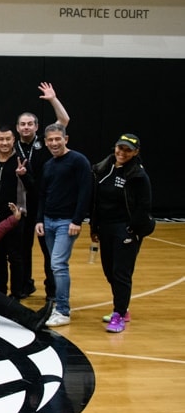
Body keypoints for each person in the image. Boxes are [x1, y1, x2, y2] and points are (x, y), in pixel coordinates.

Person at [90, 134, 153, 333]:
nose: (122, 153)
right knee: (109, 270)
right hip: (105, 227)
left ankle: (119, 314)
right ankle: (122, 308)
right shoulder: (103, 168)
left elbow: (144, 206)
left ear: (136, 152)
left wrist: (132, 229)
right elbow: (95, 201)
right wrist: (94, 227)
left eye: (127, 150)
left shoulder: (138, 175)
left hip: (125, 228)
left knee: (121, 273)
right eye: (120, 148)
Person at [17, 82, 72, 302]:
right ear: (18, 127)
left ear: (37, 127)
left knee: (48, 251)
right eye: (23, 124)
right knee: (22, 250)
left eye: (30, 124)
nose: (26, 127)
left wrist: (52, 99)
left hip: (45, 204)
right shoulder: (12, 144)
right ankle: (24, 285)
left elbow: (64, 121)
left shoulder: (46, 142)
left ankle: (51, 291)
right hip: (21, 204)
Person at [36, 123, 92, 328]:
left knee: (58, 265)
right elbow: (43, 194)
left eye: (57, 139)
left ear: (65, 139)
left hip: (66, 222)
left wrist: (77, 220)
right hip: (49, 221)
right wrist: (39, 219)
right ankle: (58, 304)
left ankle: (63, 310)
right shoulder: (49, 165)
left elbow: (85, 192)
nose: (53, 143)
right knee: (54, 264)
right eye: (49, 140)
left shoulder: (78, 161)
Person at [0, 126, 32, 299]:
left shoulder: (22, 161)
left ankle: (16, 294)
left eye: (8, 139)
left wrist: (24, 175)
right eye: (1, 139)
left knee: (16, 257)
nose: (4, 143)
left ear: (14, 140)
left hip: (15, 218)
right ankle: (1, 292)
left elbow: (32, 188)